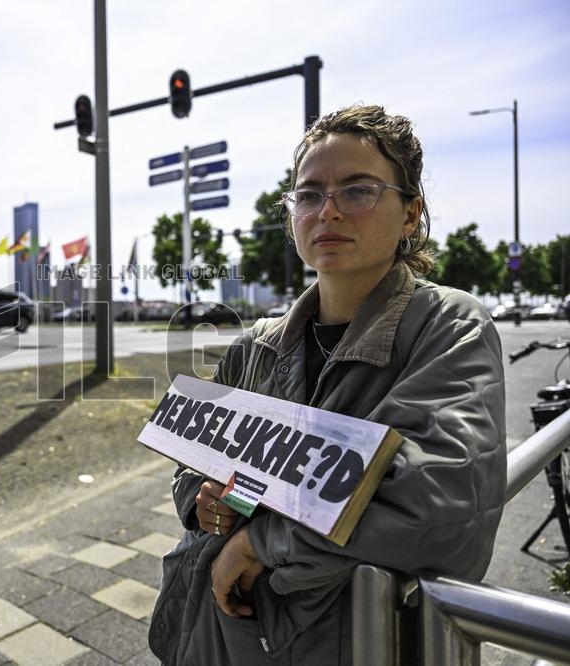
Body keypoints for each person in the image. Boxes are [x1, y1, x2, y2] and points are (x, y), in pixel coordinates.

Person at [149, 105, 506, 665]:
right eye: (308, 195)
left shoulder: (447, 326)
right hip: (221, 632)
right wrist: (207, 504)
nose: (328, 212)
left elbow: (437, 506)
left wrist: (260, 540)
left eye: (358, 191)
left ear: (410, 213)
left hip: (358, 641)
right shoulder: (256, 345)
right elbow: (203, 463)